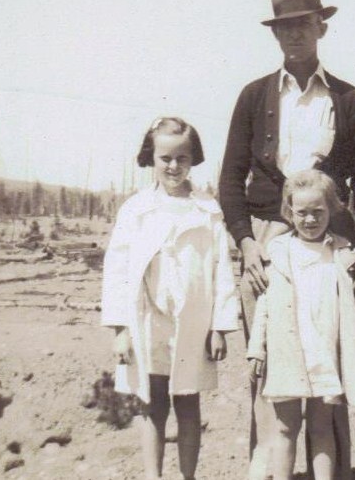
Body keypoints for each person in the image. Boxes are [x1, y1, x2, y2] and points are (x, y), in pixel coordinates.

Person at [219, 0, 355, 479]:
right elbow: (229, 176)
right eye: (284, 27)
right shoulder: (254, 96)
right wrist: (246, 243)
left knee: (330, 359)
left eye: (303, 24)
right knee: (270, 360)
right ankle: (266, 467)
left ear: (321, 27)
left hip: (331, 245)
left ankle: (333, 470)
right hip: (268, 239)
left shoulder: (348, 98)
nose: (294, 35)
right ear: (275, 34)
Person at [101, 117, 239, 480]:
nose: (174, 166)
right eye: (165, 158)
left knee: (188, 400)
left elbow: (221, 269)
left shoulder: (207, 210)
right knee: (152, 400)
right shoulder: (136, 210)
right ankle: (153, 475)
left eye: (182, 158)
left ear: (193, 158)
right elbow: (117, 270)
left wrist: (220, 327)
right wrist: (121, 329)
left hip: (193, 321)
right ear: (151, 158)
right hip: (147, 319)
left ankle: (188, 476)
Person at [247, 170, 355, 480]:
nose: (310, 220)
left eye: (318, 212)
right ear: (289, 212)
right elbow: (264, 303)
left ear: (331, 209)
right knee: (286, 427)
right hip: (286, 350)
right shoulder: (278, 249)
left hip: (322, 350)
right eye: (302, 212)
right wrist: (256, 348)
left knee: (321, 427)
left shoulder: (339, 250)